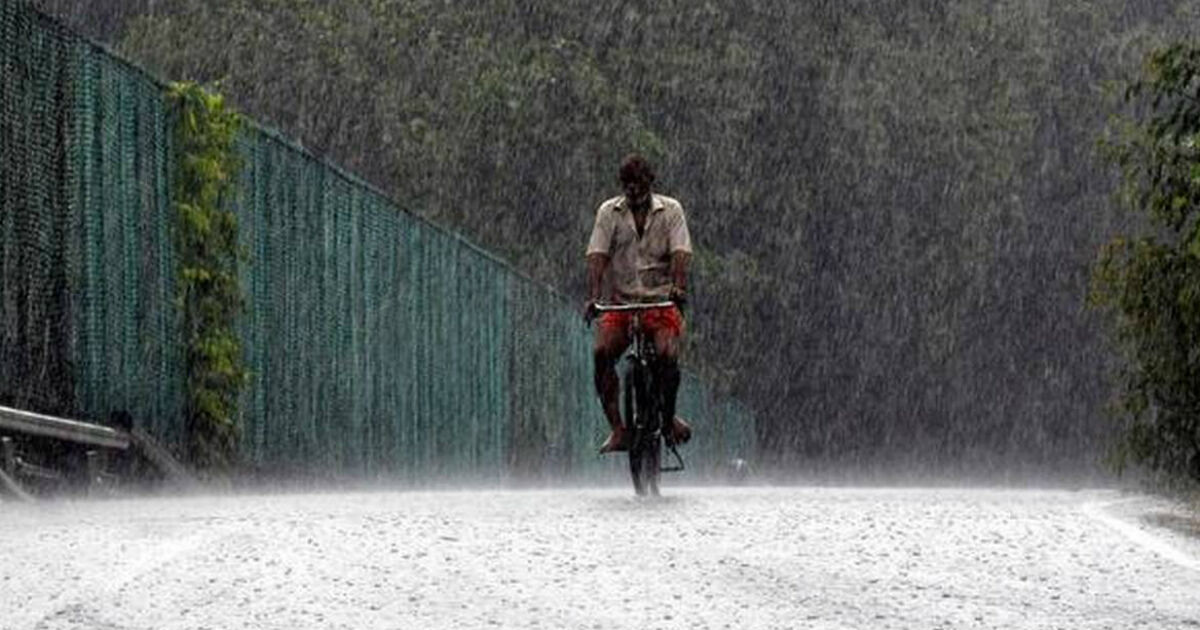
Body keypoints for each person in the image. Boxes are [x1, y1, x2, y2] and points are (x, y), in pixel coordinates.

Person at [584, 153, 693, 454]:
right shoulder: (609, 212)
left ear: (650, 183)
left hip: (659, 302)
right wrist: (593, 297)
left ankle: (668, 418)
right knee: (601, 354)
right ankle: (619, 429)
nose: (633, 191)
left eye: (638, 184)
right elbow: (596, 256)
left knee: (667, 355)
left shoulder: (671, 211)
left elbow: (681, 253)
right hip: (621, 303)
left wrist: (678, 287)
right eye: (627, 185)